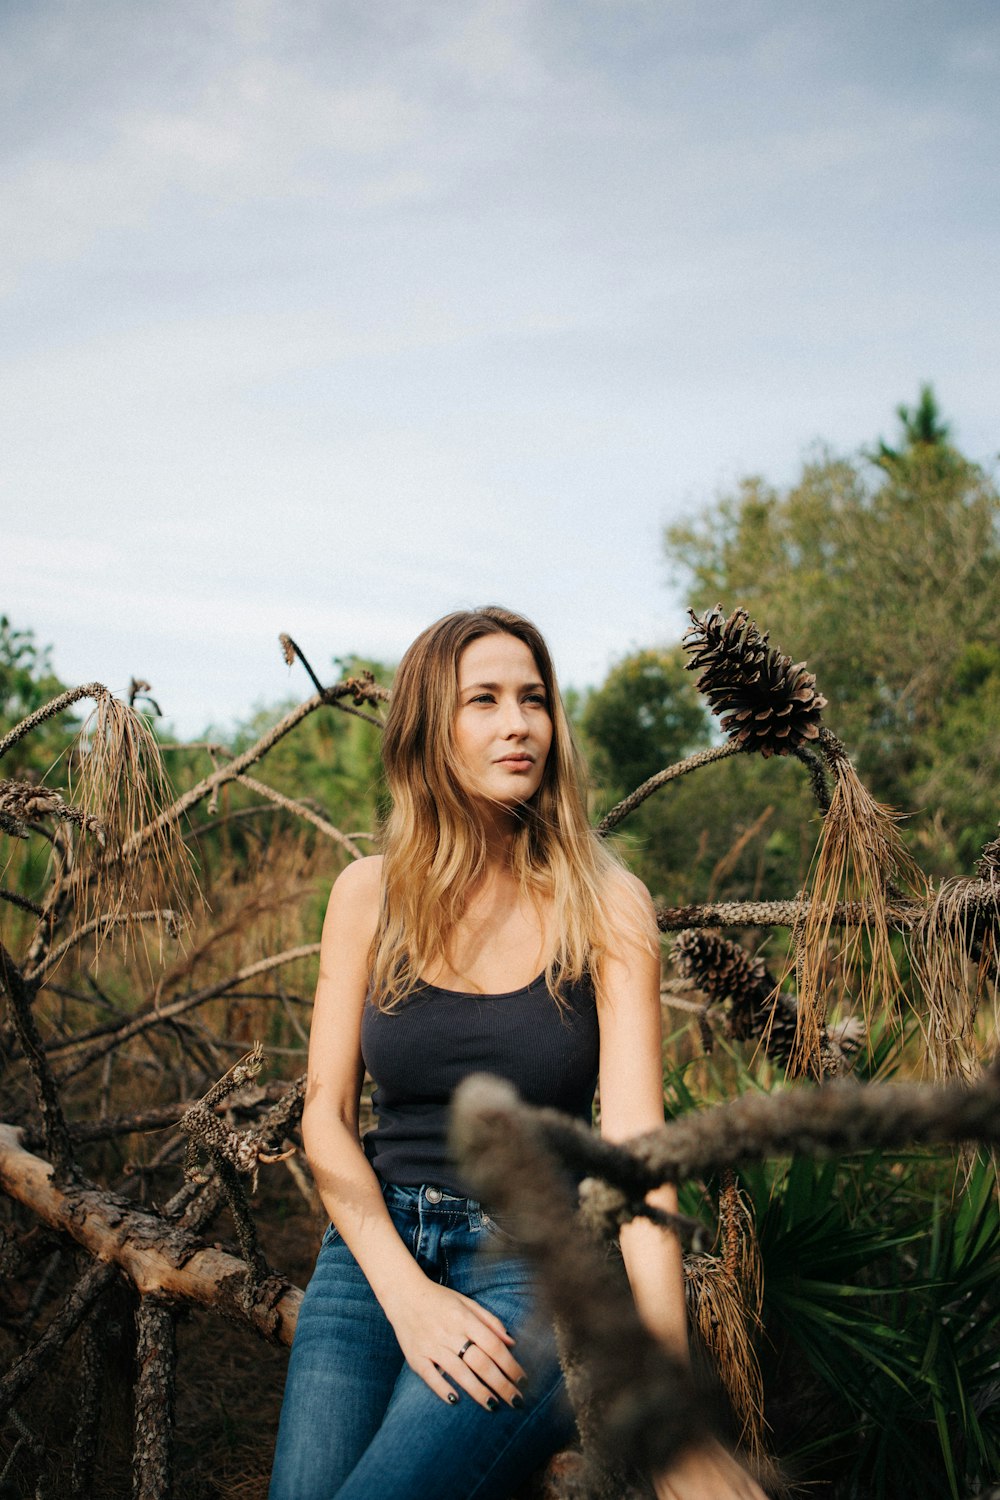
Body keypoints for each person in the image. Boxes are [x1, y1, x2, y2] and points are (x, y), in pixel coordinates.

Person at [269, 606, 766, 1500]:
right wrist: (407, 1295)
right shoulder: (366, 896)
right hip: (372, 1249)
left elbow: (639, 1152)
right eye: (485, 700)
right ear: (430, 729)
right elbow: (326, 1119)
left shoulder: (608, 906)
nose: (519, 724)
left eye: (533, 699)